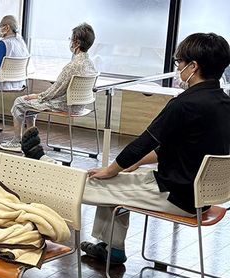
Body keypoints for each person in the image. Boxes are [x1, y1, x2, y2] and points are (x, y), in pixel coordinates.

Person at [77, 32, 230, 264]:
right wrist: (133, 164)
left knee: (93, 184)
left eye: (179, 62)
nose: (178, 68)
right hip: (202, 196)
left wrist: (110, 170)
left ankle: (112, 249)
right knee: (119, 177)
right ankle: (111, 247)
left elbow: (143, 143)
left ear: (193, 66)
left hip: (176, 196)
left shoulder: (184, 104)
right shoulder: (224, 103)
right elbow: (179, 148)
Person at [0, 23, 96, 152]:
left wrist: (38, 96)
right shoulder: (90, 64)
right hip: (80, 106)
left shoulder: (72, 66)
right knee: (30, 105)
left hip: (65, 105)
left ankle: (17, 142)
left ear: (77, 43)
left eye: (71, 39)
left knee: (20, 102)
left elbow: (55, 91)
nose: (70, 42)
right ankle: (30, 141)